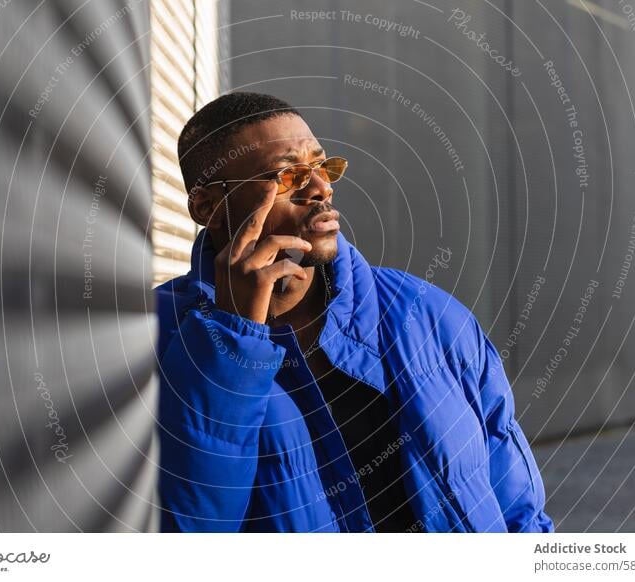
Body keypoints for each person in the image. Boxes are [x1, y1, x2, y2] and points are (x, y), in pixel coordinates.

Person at [156, 91, 553, 533]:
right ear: (208, 207)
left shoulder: (425, 313)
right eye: (289, 175)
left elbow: (518, 503)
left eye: (323, 167)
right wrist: (232, 338)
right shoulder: (154, 339)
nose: (322, 188)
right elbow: (189, 529)